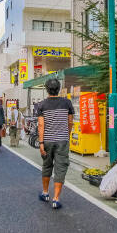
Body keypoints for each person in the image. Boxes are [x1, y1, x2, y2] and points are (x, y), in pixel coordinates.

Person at [36, 77, 74, 210]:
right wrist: (67, 135)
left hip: (47, 141)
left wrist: (41, 143)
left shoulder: (41, 105)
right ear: (58, 89)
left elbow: (41, 125)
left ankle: (45, 193)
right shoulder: (67, 103)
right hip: (62, 141)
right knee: (60, 168)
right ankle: (56, 199)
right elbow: (70, 122)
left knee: (47, 166)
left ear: (47, 89)